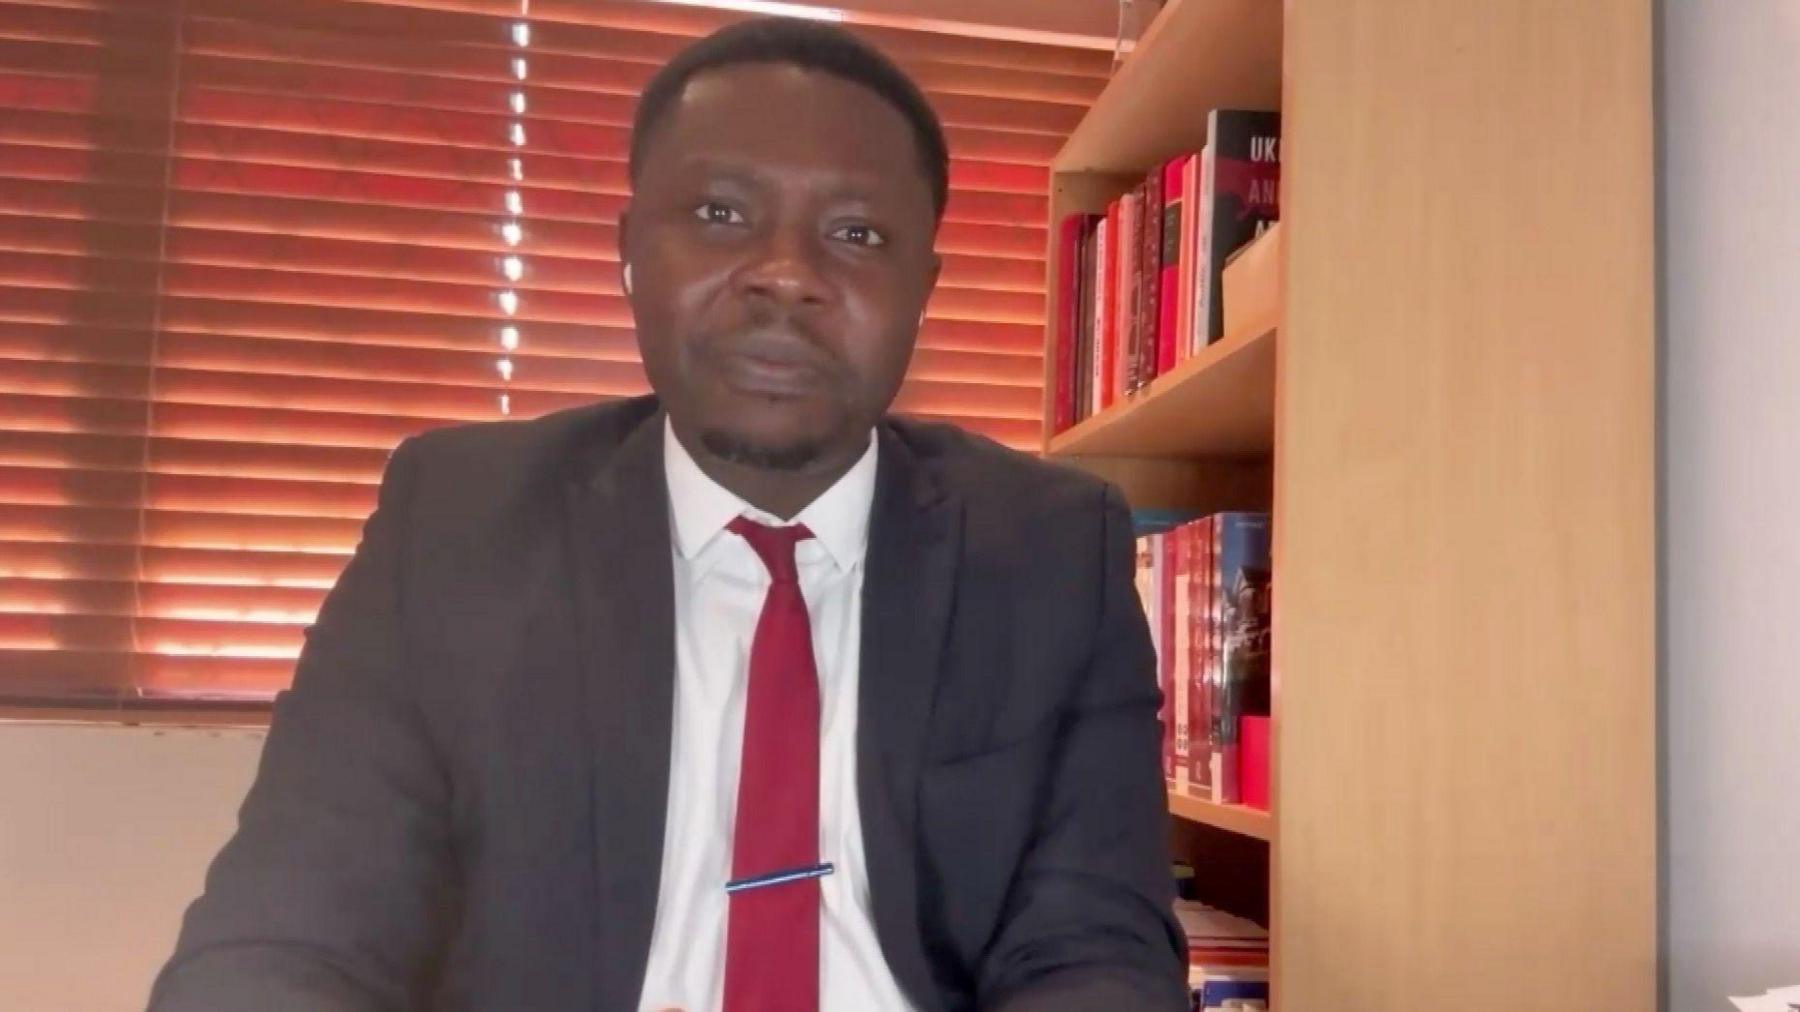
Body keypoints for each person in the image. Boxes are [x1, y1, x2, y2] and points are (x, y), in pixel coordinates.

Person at [149, 17, 1185, 1012]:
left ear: (924, 289)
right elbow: (285, 940)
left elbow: (1097, 953)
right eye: (722, 214)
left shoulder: (1050, 550)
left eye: (857, 232)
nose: (786, 275)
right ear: (629, 251)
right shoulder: (455, 527)